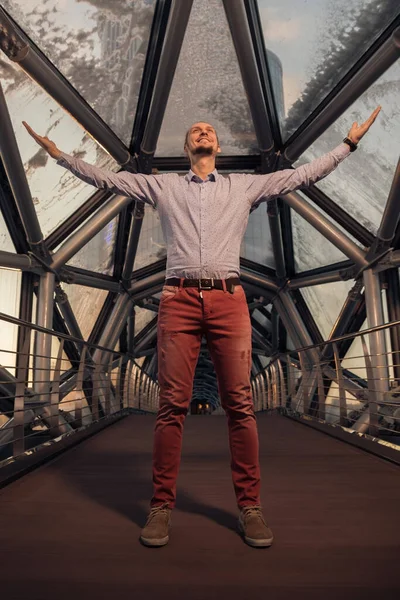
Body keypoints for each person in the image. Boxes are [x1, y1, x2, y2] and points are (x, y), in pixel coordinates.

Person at [23, 106, 381, 548]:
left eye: (209, 129)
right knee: (172, 406)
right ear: (188, 146)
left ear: (218, 146)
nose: (204, 132)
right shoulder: (164, 186)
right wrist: (59, 155)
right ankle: (160, 507)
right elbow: (109, 179)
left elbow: (302, 177)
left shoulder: (243, 186)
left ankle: (250, 507)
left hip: (229, 300)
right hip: (178, 300)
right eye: (196, 130)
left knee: (240, 405)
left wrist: (347, 145)